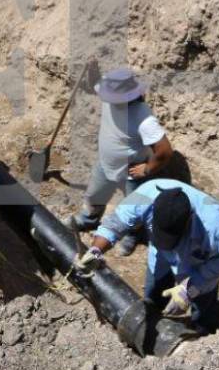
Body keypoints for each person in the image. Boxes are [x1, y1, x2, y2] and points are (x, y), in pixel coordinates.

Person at [76, 179, 219, 331]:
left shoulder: (214, 229)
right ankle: (155, 322)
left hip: (196, 264)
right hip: (160, 255)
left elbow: (215, 265)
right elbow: (114, 225)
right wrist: (95, 251)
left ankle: (204, 331)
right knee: (154, 293)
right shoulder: (145, 195)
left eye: (172, 238)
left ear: (189, 220)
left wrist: (188, 292)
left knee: (203, 303)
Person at [67, 67, 173, 257]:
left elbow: (164, 150)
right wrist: (93, 68)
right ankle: (90, 219)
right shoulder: (109, 94)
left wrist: (147, 169)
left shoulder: (143, 118)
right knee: (94, 195)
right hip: (106, 162)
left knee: (133, 208)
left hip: (131, 172)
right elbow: (95, 84)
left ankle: (132, 234)